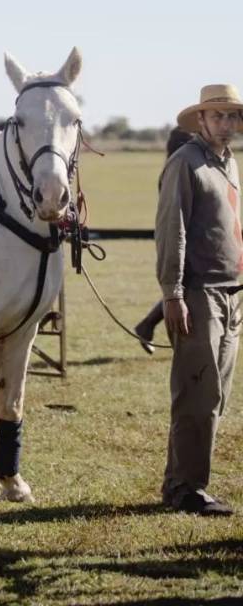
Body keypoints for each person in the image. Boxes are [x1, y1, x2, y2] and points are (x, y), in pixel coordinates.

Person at [155, 84, 243, 515]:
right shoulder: (185, 163)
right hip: (199, 292)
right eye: (218, 116)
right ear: (201, 120)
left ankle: (181, 483)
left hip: (233, 293)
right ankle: (186, 490)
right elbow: (173, 231)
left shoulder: (230, 165)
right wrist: (172, 294)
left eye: (232, 117)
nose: (226, 125)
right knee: (198, 394)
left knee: (217, 396)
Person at [134, 128, 194, 353]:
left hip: (186, 238)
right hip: (183, 240)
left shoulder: (174, 168)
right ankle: (148, 325)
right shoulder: (177, 170)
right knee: (183, 290)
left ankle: (148, 326)